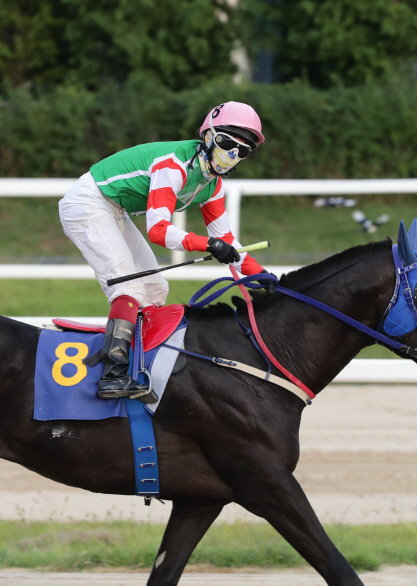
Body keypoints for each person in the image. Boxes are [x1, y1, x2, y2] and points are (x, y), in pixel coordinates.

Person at [59, 101, 266, 400]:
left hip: (114, 209)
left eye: (242, 150)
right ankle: (112, 376)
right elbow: (158, 231)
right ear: (207, 136)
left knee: (155, 288)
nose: (233, 154)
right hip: (88, 202)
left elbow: (229, 243)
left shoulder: (213, 185)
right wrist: (208, 244)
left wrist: (262, 277)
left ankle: (141, 366)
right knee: (128, 286)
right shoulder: (174, 165)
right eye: (226, 142)